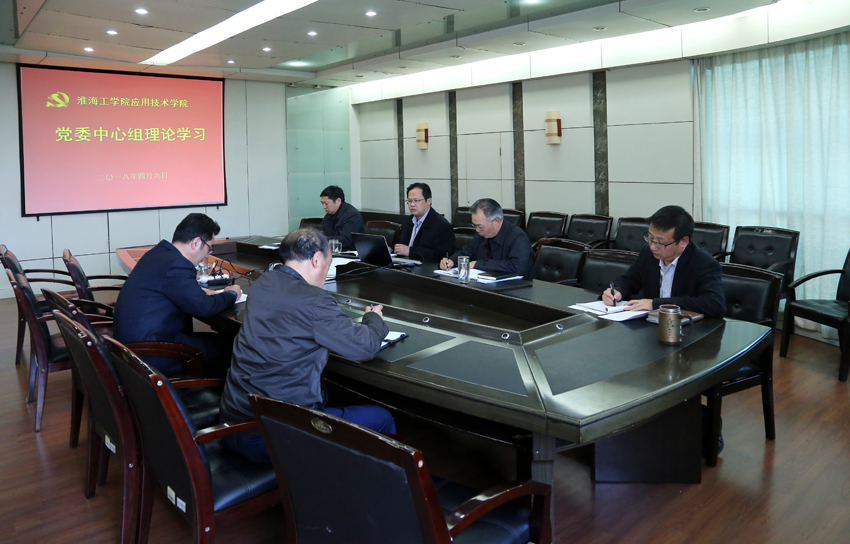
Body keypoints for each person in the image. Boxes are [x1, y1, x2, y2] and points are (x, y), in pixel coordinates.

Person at [220, 228, 396, 464]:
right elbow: (364, 347)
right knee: (381, 417)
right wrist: (373, 319)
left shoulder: (264, 282)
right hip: (274, 435)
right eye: (328, 264)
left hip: (233, 423)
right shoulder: (315, 300)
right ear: (317, 259)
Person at [113, 213, 241, 377]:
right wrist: (231, 293)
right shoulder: (178, 265)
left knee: (214, 342)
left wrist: (197, 291)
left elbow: (167, 287)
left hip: (131, 346)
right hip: (152, 352)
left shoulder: (159, 253)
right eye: (209, 248)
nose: (207, 255)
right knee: (232, 346)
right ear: (196, 243)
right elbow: (204, 307)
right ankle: (211, 390)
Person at [601, 205, 726, 317]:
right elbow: (629, 280)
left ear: (683, 241)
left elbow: (714, 304)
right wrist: (617, 291)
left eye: (661, 243)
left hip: (687, 328)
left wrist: (656, 304)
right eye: (650, 238)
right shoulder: (648, 254)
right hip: (650, 325)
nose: (653, 247)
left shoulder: (704, 263)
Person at [440, 198, 534, 280]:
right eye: (474, 226)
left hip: (517, 287)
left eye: (480, 226)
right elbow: (467, 252)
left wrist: (479, 264)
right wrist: (452, 261)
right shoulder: (481, 235)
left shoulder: (518, 237)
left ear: (497, 221)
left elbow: (517, 267)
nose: (477, 230)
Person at [394, 182, 455, 261]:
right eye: (409, 201)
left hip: (425, 266)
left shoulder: (441, 225)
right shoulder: (408, 221)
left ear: (429, 201)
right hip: (403, 263)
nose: (412, 204)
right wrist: (391, 248)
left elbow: (441, 255)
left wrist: (410, 251)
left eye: (416, 200)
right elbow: (399, 243)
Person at [319, 185, 364, 251]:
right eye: (322, 203)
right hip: (333, 251)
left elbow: (346, 240)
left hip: (350, 252)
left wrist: (320, 240)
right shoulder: (328, 215)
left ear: (338, 201)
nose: (324, 207)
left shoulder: (352, 215)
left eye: (326, 203)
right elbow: (323, 233)